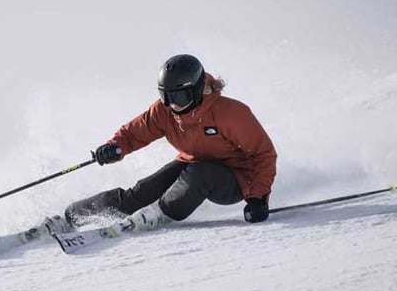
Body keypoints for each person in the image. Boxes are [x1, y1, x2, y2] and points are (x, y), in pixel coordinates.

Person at [63, 54, 277, 232]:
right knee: (143, 192)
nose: (172, 104)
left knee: (200, 173)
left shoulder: (230, 113)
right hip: (192, 165)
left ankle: (158, 213)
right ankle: (73, 216)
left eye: (180, 97)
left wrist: (257, 199)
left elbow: (263, 154)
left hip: (236, 179)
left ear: (195, 91)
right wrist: (115, 147)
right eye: (165, 96)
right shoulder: (164, 112)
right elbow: (136, 132)